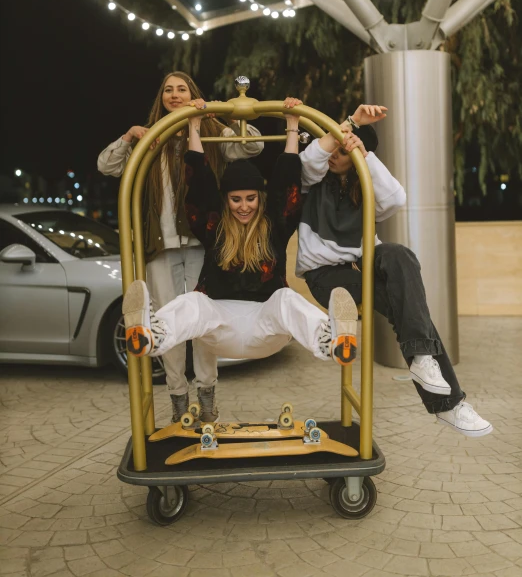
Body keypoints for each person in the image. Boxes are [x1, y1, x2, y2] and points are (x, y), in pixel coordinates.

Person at [122, 98, 361, 399]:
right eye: (236, 199)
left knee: (287, 298)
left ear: (260, 199)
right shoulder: (215, 226)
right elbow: (200, 182)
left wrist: (292, 128)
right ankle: (149, 336)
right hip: (220, 329)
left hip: (266, 328)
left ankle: (332, 341)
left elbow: (286, 179)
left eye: (251, 198)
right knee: (193, 302)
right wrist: (194, 128)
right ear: (226, 202)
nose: (244, 206)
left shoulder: (274, 224)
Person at [297, 105, 493, 438]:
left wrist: (365, 156)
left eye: (344, 150)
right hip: (326, 275)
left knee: (400, 258)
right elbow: (308, 160)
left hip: (364, 265)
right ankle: (449, 405)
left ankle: (421, 360)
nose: (335, 154)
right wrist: (350, 126)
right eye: (334, 144)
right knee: (414, 317)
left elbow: (397, 198)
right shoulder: (312, 180)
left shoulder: (366, 188)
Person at [98, 72, 263, 423]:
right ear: (161, 98)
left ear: (194, 94)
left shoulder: (211, 132)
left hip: (202, 242)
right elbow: (106, 165)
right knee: (167, 323)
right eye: (169, 90)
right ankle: (176, 396)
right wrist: (129, 136)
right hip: (161, 246)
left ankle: (206, 396)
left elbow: (253, 146)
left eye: (182, 89)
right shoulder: (150, 138)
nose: (175, 95)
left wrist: (218, 117)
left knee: (203, 321)